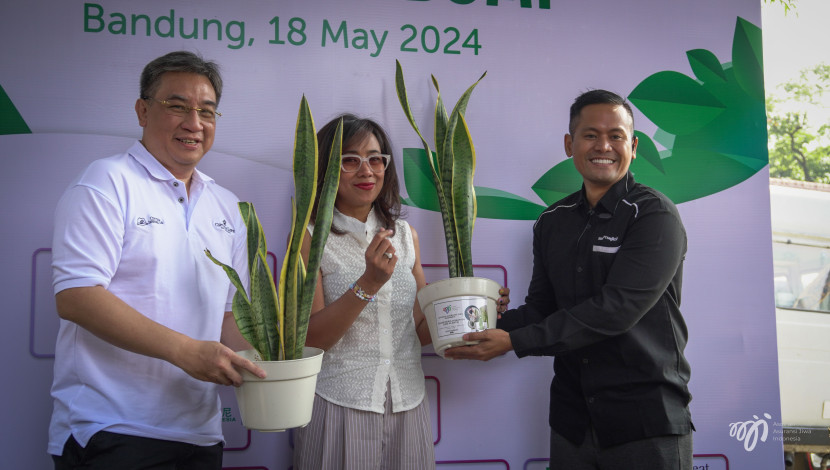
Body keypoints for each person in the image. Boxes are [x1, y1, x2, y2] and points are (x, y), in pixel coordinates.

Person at [444, 90, 694, 469]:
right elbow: (543, 308)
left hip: (644, 421)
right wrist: (480, 318)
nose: (604, 146)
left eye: (616, 136)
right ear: (569, 144)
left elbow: (616, 310)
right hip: (572, 422)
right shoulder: (552, 221)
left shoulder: (654, 215)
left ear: (634, 146)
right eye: (591, 135)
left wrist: (513, 341)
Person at [48, 51, 265, 469]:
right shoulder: (106, 182)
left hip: (200, 433)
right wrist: (185, 351)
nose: (194, 123)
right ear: (142, 110)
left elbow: (228, 319)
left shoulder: (227, 207)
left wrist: (272, 364)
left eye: (207, 111)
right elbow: (76, 296)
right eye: (178, 106)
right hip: (113, 430)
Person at [293, 114, 435, 470]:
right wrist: (367, 284)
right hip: (341, 404)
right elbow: (310, 339)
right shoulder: (309, 238)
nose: (366, 170)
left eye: (375, 159)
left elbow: (421, 332)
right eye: (349, 160)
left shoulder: (405, 235)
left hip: (407, 403)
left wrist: (467, 310)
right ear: (326, 170)